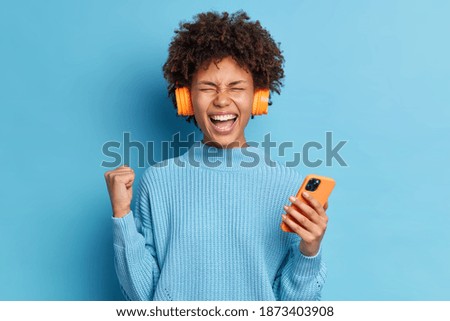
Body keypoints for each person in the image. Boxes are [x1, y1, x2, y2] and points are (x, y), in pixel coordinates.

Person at [104, 10, 329, 301]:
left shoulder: (288, 186)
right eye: (207, 88)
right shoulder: (157, 182)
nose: (222, 100)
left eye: (236, 88)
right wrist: (122, 216)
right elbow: (142, 297)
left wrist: (310, 252)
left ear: (258, 98)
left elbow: (295, 307)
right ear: (186, 100)